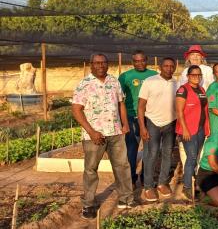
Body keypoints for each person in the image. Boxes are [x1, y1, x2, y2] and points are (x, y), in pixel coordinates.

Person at [72, 53, 134, 219]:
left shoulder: (114, 81)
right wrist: (92, 131)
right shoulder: (84, 84)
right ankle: (89, 204)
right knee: (91, 169)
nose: (100, 66)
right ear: (91, 64)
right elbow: (76, 110)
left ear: (108, 64)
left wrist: (125, 123)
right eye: (97, 63)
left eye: (103, 63)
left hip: (115, 131)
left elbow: (121, 103)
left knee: (122, 166)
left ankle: (126, 198)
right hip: (94, 135)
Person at [138, 57, 178, 202]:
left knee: (167, 154)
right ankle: (148, 186)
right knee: (151, 154)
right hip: (152, 122)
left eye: (171, 66)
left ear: (175, 67)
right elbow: (141, 106)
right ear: (160, 67)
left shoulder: (176, 83)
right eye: (166, 66)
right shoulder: (150, 81)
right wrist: (142, 127)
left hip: (171, 123)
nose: (169, 68)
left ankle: (162, 183)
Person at [118, 50, 157, 186]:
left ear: (147, 60)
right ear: (132, 62)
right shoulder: (125, 77)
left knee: (150, 149)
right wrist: (122, 121)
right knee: (132, 148)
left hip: (149, 117)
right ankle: (131, 178)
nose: (140, 63)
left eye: (142, 60)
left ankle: (146, 177)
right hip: (132, 116)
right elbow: (118, 98)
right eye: (136, 61)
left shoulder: (154, 75)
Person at [175, 65, 210, 200]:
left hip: (200, 129)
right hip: (188, 130)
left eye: (199, 75)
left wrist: (207, 127)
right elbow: (179, 111)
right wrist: (184, 128)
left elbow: (204, 109)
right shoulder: (183, 90)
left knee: (196, 157)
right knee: (191, 157)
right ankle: (187, 187)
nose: (196, 77)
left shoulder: (201, 89)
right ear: (188, 76)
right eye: (193, 75)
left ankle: (192, 182)